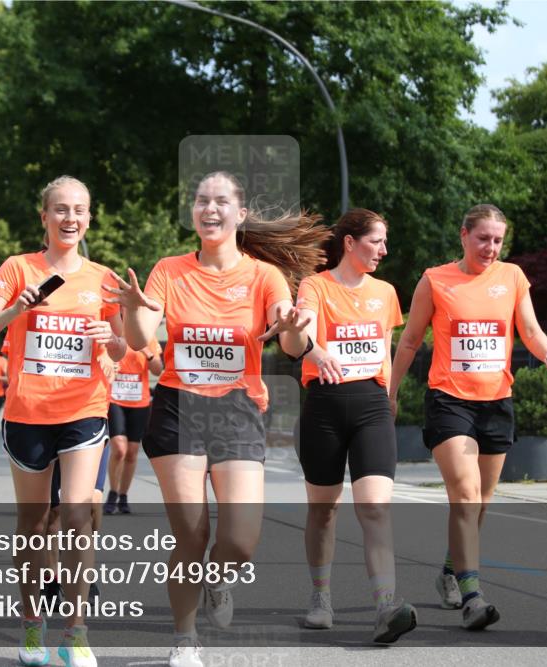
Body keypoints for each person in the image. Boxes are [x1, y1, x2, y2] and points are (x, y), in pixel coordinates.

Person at [110, 171, 329, 667]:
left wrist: (293, 328)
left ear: (240, 213)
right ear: (193, 211)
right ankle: (185, 640)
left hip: (237, 408)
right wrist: (135, 310)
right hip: (178, 406)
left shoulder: (264, 276)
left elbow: (290, 341)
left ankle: (218, 576)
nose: (210, 209)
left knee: (239, 539)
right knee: (190, 534)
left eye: (220, 201)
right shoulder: (168, 270)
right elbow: (144, 338)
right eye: (202, 201)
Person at [0, 175, 126, 667]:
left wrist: (109, 340)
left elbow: (122, 349)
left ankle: (75, 632)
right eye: (60, 209)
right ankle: (32, 627)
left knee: (77, 516)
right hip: (29, 412)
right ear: (44, 217)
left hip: (84, 409)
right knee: (34, 525)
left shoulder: (104, 278)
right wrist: (16, 309)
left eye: (79, 209)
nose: (69, 218)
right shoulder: (18, 269)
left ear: (89, 217)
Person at [389, 203, 547, 631]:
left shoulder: (512, 278)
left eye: (498, 240)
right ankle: (473, 596)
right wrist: (389, 393)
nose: (490, 247)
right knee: (465, 495)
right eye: (483, 238)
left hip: (496, 401)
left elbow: (530, 328)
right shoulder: (435, 280)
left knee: (480, 502)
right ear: (464, 235)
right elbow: (410, 340)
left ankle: (450, 571)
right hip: (450, 400)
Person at [294, 208, 416, 642]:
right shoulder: (315, 286)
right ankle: (321, 597)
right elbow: (302, 330)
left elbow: (384, 348)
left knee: (375, 507)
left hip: (371, 406)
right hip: (325, 406)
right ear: (350, 243)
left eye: (384, 242)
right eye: (376, 241)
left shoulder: (385, 292)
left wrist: (389, 397)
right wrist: (311, 349)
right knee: (323, 511)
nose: (383, 250)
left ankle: (386, 605)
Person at [103, 319, 163, 515]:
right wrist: (110, 365)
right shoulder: (112, 333)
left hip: (139, 401)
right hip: (115, 399)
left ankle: (123, 495)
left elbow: (157, 369)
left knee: (132, 451)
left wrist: (148, 352)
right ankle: (112, 491)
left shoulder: (148, 337)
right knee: (119, 448)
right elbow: (100, 359)